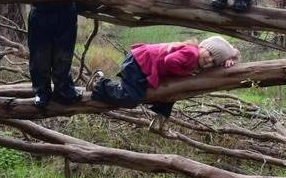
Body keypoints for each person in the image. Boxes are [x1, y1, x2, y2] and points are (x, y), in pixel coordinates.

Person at [90, 36, 239, 127]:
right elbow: (169, 61)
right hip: (139, 63)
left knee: (171, 92)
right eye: (211, 54)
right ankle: (99, 83)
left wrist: (231, 59)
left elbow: (234, 53)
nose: (210, 60)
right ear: (203, 47)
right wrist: (184, 74)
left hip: (143, 64)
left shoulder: (196, 57)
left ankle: (160, 117)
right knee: (131, 98)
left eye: (214, 62)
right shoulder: (191, 54)